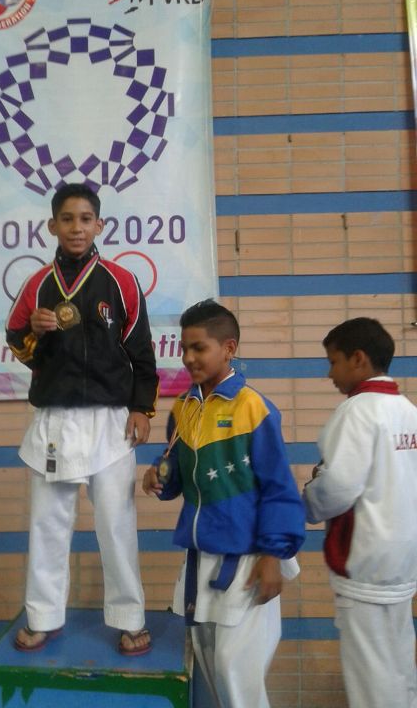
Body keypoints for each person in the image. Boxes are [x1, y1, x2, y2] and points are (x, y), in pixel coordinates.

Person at [6, 183, 158, 655]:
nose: (77, 227)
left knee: (116, 522)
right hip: (55, 418)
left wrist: (142, 407)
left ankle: (129, 617)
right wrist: (33, 334)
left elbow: (142, 351)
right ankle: (44, 616)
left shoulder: (121, 281)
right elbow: (15, 344)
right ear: (52, 226)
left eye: (86, 218)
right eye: (67, 219)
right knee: (48, 524)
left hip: (111, 420)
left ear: (100, 225)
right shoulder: (36, 284)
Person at [142, 299, 305, 708]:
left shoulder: (254, 408)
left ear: (228, 348)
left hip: (249, 559)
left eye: (199, 347)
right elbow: (179, 480)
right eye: (184, 348)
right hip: (202, 558)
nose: (189, 357)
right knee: (212, 670)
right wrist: (160, 479)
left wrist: (272, 554)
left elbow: (279, 488)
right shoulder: (183, 408)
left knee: (237, 675)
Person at [303, 317, 417, 708]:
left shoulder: (356, 412)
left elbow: (338, 487)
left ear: (358, 359)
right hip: (402, 563)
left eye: (333, 362)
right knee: (399, 669)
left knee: (371, 681)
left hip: (364, 563)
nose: (330, 373)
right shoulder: (408, 410)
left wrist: (307, 500)